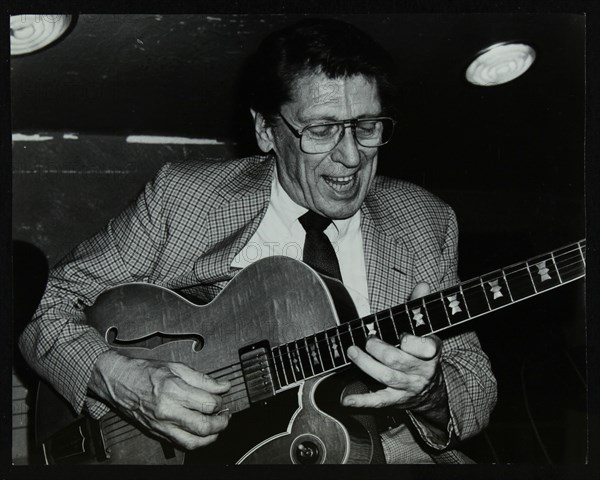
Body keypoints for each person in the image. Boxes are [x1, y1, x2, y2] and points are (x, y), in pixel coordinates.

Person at [19, 18, 497, 464]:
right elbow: (43, 303)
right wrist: (125, 383)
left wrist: (430, 393)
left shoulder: (423, 220)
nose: (351, 156)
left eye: (367, 127)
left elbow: (474, 386)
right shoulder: (186, 199)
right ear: (266, 130)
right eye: (322, 129)